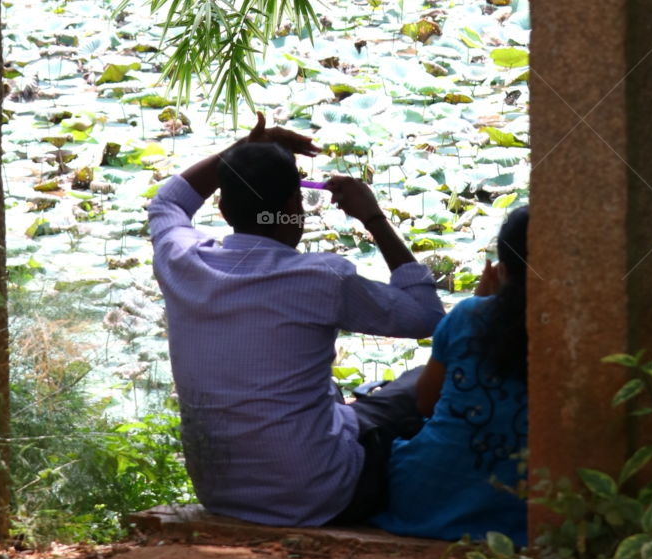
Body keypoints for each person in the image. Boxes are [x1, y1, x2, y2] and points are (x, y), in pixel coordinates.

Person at [148, 112, 446, 527]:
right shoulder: (322, 278)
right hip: (320, 495)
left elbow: (168, 202)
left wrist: (240, 152)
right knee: (427, 380)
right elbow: (428, 317)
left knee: (341, 400)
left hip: (221, 494)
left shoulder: (182, 259)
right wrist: (374, 219)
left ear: (224, 207)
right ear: (294, 206)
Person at [372, 207, 530, 545]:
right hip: (522, 516)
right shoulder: (581, 326)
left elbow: (426, 403)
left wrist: (481, 304)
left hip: (423, 502)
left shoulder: (468, 315)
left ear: (502, 268)